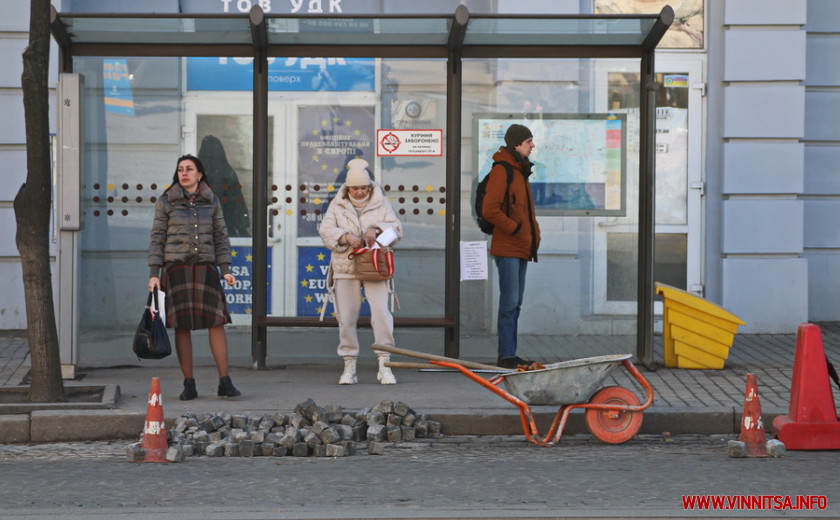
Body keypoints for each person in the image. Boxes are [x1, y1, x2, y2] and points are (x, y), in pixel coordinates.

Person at [147, 154, 241, 400]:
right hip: (176, 270)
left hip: (205, 268)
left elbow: (221, 236)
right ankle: (189, 383)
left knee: (216, 323)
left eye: (189, 169)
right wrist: (154, 274)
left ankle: (225, 382)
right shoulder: (166, 201)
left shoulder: (211, 200)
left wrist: (226, 270)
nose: (184, 173)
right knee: (181, 326)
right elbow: (157, 237)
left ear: (200, 174)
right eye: (180, 169)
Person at [319, 158, 403, 385]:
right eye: (355, 188)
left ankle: (385, 363)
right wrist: (345, 236)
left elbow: (396, 229)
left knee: (382, 315)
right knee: (346, 317)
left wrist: (376, 229)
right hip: (346, 267)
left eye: (363, 188)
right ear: (348, 188)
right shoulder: (337, 205)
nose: (359, 192)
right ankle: (349, 364)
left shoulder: (381, 203)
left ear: (369, 186)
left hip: (375, 266)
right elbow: (325, 231)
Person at [481, 124, 542, 369]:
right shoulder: (502, 170)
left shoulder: (519, 169)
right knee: (509, 304)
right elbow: (490, 210)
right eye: (528, 141)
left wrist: (532, 234)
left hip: (521, 247)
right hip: (508, 247)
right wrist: (515, 229)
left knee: (515, 304)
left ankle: (510, 353)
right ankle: (506, 356)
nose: (532, 145)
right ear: (517, 144)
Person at [198, 135, 251, 237]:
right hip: (226, 226)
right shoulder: (227, 172)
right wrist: (242, 229)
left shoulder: (198, 173)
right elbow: (238, 203)